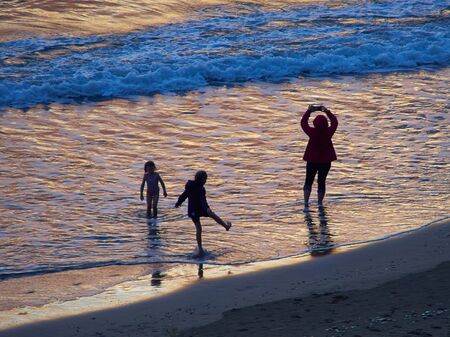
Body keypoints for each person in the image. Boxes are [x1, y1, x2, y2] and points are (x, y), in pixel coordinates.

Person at [175, 170, 232, 257]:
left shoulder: (192, 186)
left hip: (194, 209)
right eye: (205, 179)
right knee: (203, 224)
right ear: (201, 179)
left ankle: (201, 248)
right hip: (198, 209)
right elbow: (199, 199)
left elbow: (184, 195)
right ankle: (225, 227)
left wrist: (178, 203)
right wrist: (207, 208)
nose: (206, 181)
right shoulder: (198, 188)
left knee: (200, 227)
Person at [301, 105, 338, 208]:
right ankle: (319, 203)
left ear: (314, 123)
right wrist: (327, 111)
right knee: (322, 182)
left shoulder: (312, 132)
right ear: (326, 123)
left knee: (308, 180)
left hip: (312, 160)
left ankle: (306, 202)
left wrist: (309, 111)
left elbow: (303, 123)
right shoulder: (328, 132)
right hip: (325, 162)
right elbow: (335, 122)